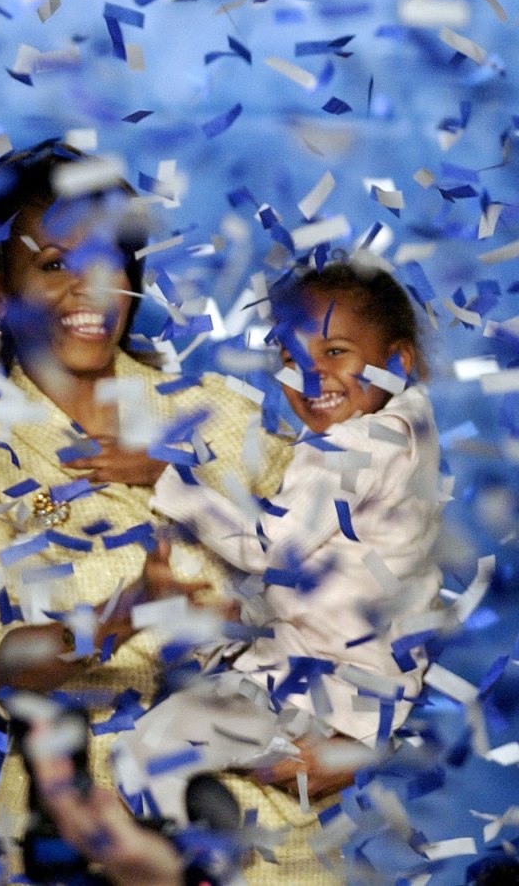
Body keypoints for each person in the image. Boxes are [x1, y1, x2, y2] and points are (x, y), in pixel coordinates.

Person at [0, 140, 346, 884]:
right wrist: (112, 622)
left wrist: (351, 729)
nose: (91, 288)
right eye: (56, 264)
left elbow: (350, 560)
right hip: (91, 830)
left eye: (110, 259)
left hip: (268, 829)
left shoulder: (215, 413)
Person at [134, 258, 443, 817]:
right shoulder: (412, 434)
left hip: (311, 696)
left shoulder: (353, 447)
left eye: (334, 352)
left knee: (148, 752)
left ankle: (190, 859)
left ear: (398, 360)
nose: (311, 375)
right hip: (362, 699)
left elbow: (267, 548)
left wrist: (163, 480)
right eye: (291, 358)